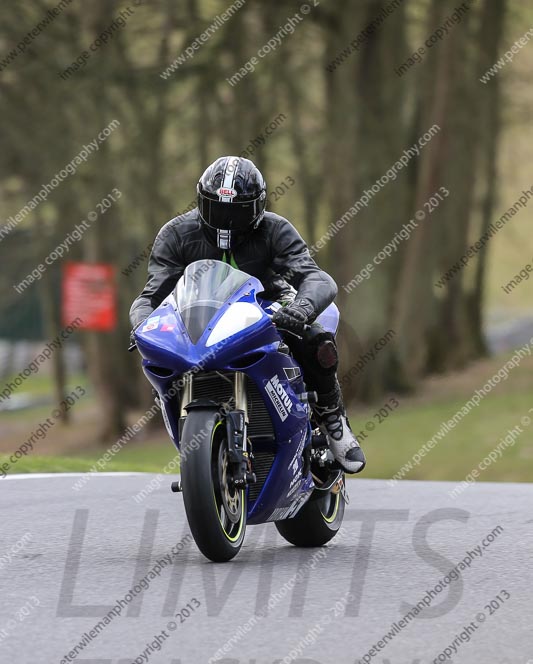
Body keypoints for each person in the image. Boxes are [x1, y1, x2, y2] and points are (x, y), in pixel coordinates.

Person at [130, 156, 365, 474]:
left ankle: (333, 416)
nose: (226, 220)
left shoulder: (275, 229)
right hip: (201, 316)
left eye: (237, 211)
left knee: (317, 338)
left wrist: (300, 310)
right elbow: (151, 296)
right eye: (217, 208)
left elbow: (317, 279)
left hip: (269, 306)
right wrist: (143, 324)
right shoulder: (176, 234)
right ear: (201, 202)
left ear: (257, 209)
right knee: (159, 354)